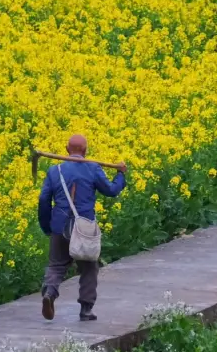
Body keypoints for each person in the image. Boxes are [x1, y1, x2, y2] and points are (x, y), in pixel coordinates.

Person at [37, 133, 127, 322]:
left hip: (59, 226)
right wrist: (120, 174)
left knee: (56, 265)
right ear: (85, 151)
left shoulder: (55, 171)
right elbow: (111, 191)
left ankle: (50, 294)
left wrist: (47, 226)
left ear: (67, 149)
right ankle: (86, 310)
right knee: (88, 267)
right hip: (84, 227)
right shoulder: (92, 168)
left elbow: (44, 199)